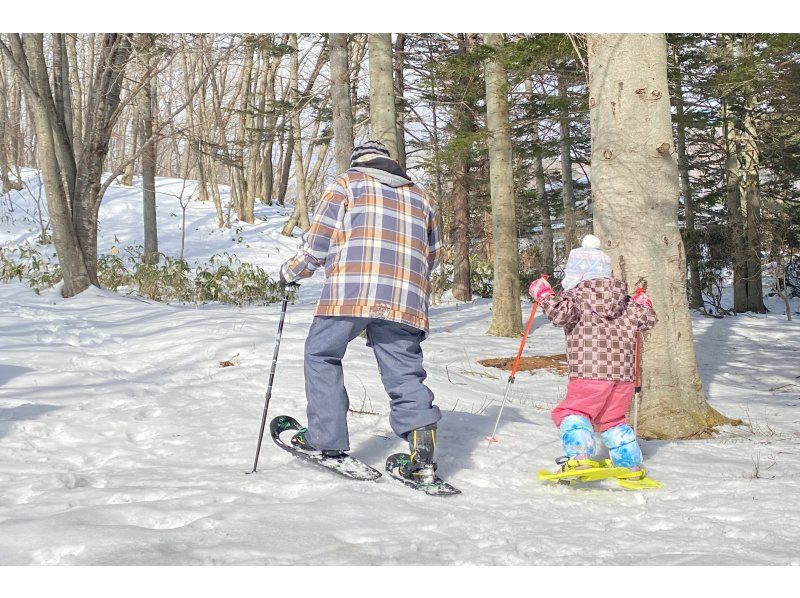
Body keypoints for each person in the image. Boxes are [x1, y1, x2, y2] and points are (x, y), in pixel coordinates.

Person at [279, 140, 443, 483]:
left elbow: (317, 243)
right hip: (406, 298)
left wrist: (292, 272)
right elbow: (433, 255)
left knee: (321, 353)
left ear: (358, 162)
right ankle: (422, 452)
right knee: (404, 372)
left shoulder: (347, 184)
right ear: (389, 163)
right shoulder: (422, 197)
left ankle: (326, 440)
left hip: (350, 292)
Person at [528, 234, 657, 477]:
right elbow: (646, 320)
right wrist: (644, 304)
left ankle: (579, 457)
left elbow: (559, 314)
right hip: (623, 375)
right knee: (613, 419)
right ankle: (629, 463)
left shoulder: (576, 296)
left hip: (589, 370)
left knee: (574, 412)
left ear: (575, 274)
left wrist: (543, 294)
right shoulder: (626, 302)